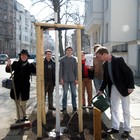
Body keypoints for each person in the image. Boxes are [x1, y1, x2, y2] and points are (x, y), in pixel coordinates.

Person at [96, 47, 135, 138]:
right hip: (113, 87)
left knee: (125, 109)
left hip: (124, 88)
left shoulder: (118, 60)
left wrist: (131, 86)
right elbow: (105, 79)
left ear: (104, 54)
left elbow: (129, 73)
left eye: (99, 56)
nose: (99, 58)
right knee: (113, 108)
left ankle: (127, 129)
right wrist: (101, 90)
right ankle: (115, 127)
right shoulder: (105, 64)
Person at [5, 49, 36, 123]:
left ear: (27, 57)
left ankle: (23, 116)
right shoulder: (16, 63)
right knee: (17, 102)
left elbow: (36, 71)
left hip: (25, 87)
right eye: (22, 55)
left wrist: (38, 63)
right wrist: (8, 65)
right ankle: (19, 117)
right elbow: (8, 70)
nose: (24, 57)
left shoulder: (30, 65)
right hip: (16, 87)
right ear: (20, 56)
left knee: (24, 102)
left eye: (25, 56)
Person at [59, 46, 78, 113]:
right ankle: (64, 107)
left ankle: (74, 106)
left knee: (74, 93)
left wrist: (76, 78)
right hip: (65, 79)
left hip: (73, 79)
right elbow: (60, 70)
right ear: (66, 51)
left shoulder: (74, 59)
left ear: (72, 51)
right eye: (68, 50)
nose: (69, 51)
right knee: (65, 93)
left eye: (70, 50)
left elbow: (76, 70)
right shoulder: (62, 59)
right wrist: (60, 79)